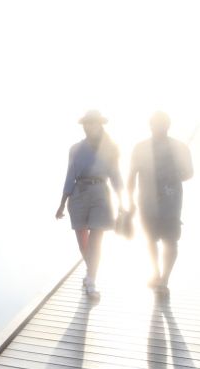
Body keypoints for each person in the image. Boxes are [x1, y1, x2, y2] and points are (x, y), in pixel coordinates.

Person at [56, 110, 124, 299]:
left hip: (101, 193)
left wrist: (123, 202)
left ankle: (91, 281)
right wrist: (62, 203)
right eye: (86, 123)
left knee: (97, 239)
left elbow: (116, 175)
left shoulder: (110, 148)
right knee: (83, 241)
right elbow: (69, 175)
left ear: (100, 125)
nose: (89, 126)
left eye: (93, 123)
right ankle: (90, 272)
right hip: (78, 193)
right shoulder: (75, 149)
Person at [127, 111, 193, 295]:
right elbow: (131, 175)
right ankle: (155, 272)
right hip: (146, 202)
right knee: (150, 239)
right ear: (150, 126)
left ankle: (164, 279)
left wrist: (176, 173)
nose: (159, 127)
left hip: (171, 203)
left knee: (170, 240)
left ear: (168, 125)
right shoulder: (140, 148)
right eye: (155, 124)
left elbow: (189, 173)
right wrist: (129, 201)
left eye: (162, 124)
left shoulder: (180, 148)